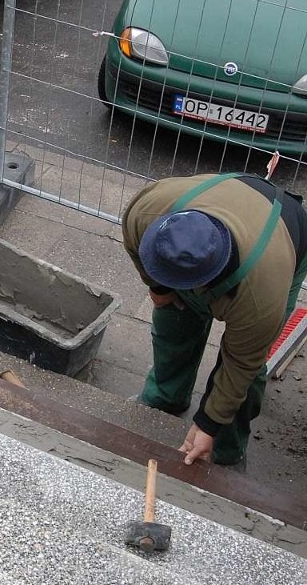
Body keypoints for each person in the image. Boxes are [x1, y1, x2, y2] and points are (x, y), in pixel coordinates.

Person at [122, 172, 307, 468]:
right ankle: (165, 397)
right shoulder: (148, 210)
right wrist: (159, 288)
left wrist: (210, 423)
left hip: (285, 228)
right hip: (229, 196)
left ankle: (227, 450)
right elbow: (135, 246)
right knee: (175, 319)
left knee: (248, 371)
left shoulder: (262, 291)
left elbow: (241, 364)